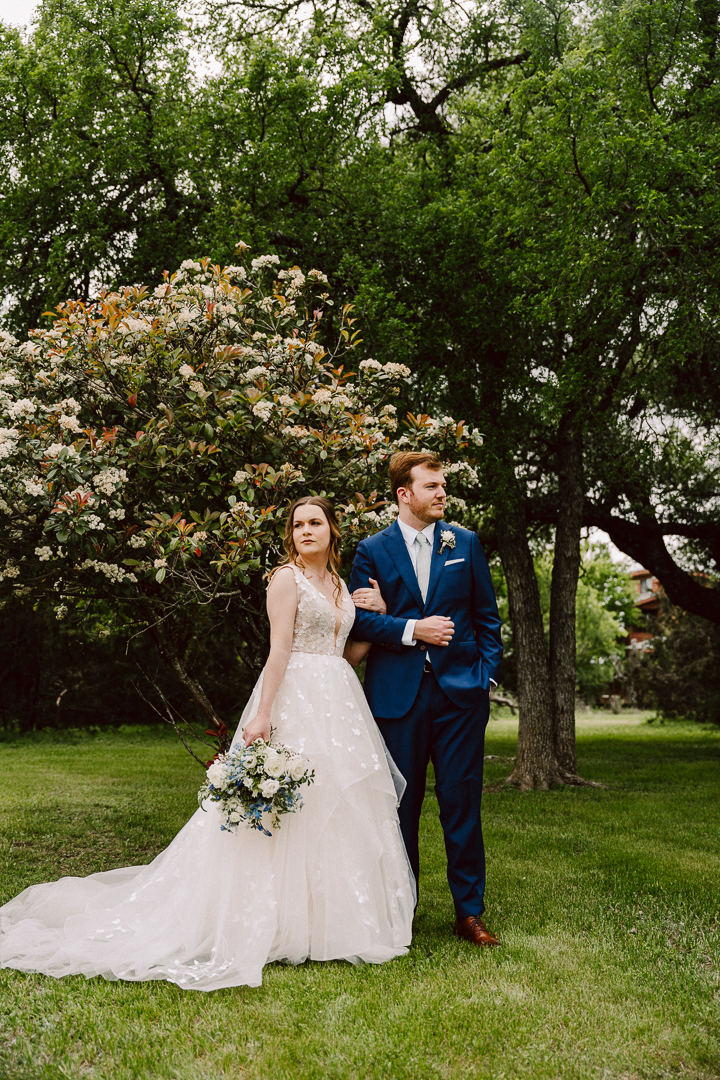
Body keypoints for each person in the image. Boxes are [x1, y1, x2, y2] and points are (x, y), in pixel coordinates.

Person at [0, 497, 415, 990]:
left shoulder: (343, 587)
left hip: (339, 701)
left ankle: (329, 921)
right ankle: (271, 920)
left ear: (332, 530)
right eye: (298, 524)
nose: (306, 530)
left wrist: (377, 616)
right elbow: (279, 648)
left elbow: (347, 654)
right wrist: (263, 714)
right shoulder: (286, 579)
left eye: (315, 522)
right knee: (286, 807)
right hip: (296, 697)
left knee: (334, 804)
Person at [348, 452, 503, 947]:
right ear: (404, 494)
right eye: (432, 486)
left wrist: (485, 678)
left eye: (443, 486)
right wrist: (413, 628)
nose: (442, 493)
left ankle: (469, 913)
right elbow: (360, 621)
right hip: (397, 698)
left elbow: (487, 617)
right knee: (400, 808)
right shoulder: (372, 550)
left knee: (462, 805)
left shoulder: (465, 542)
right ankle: (402, 911)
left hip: (461, 697)